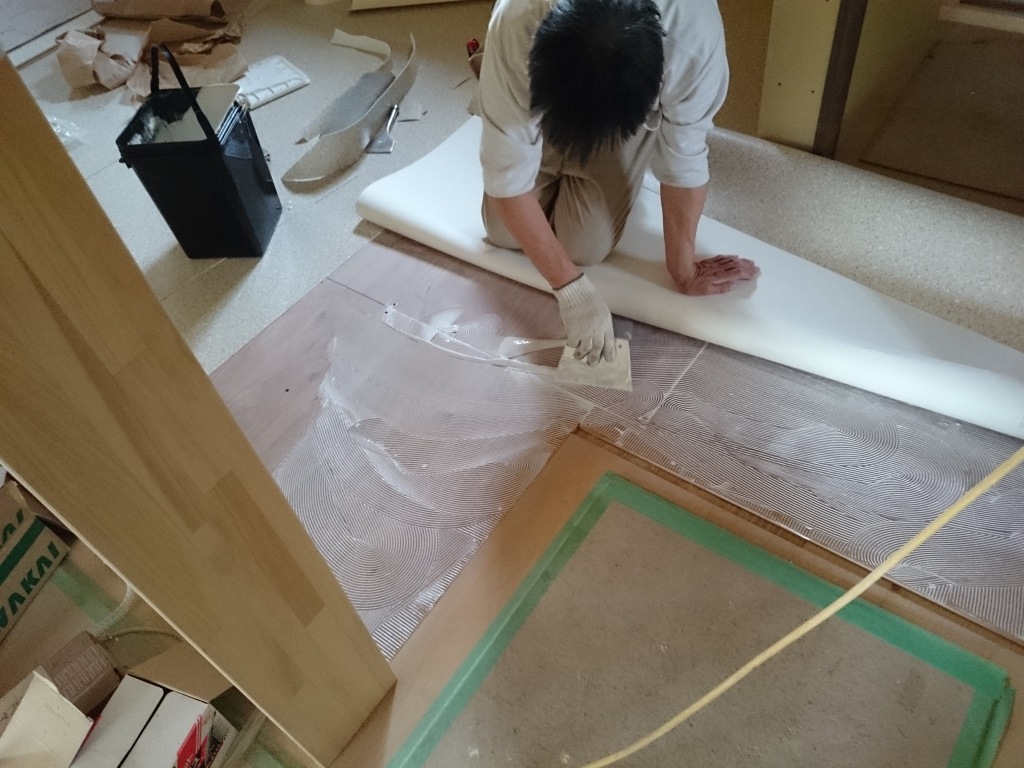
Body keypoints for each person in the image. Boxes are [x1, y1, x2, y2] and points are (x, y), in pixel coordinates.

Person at [474, 0, 759, 365]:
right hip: (540, 77)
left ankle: (621, 142)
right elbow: (507, 178)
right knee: (503, 233)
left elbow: (683, 157)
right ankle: (516, 101)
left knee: (583, 247)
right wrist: (571, 289)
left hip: (625, 101)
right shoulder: (517, 20)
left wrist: (683, 268)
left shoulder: (693, 37)